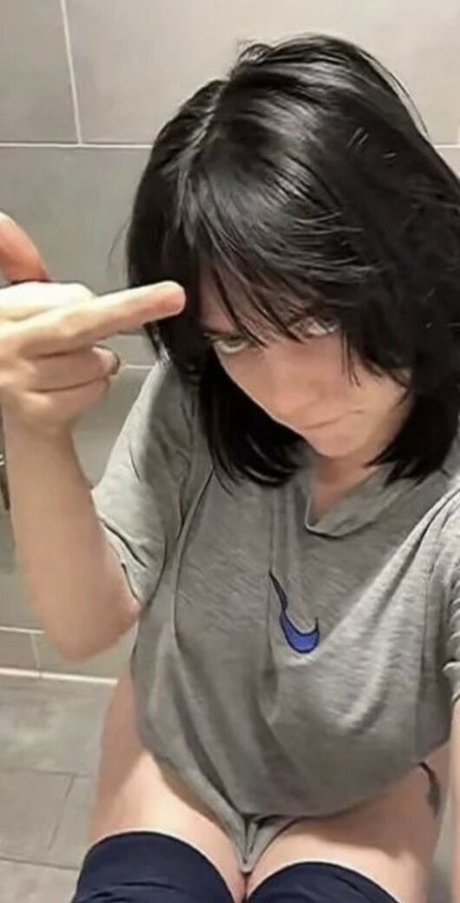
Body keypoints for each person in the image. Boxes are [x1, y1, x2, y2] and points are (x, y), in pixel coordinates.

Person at [1, 32, 460, 903]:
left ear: (413, 259)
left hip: (363, 800)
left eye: (315, 319)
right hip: (177, 770)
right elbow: (86, 622)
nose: (285, 391)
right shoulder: (201, 393)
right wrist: (35, 426)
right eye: (238, 337)